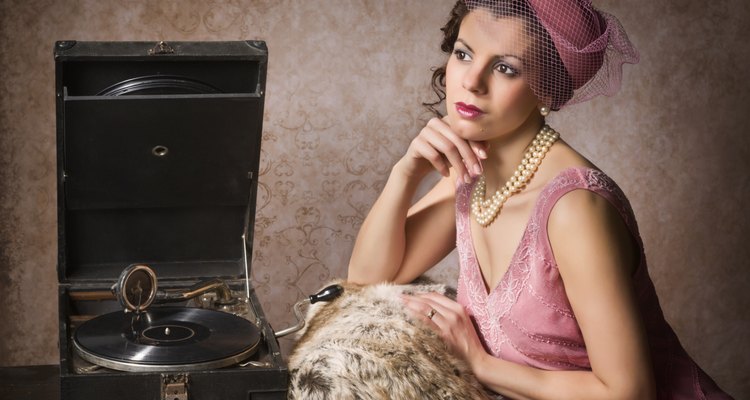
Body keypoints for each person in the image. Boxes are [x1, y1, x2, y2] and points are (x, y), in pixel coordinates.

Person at [346, 0, 734, 399]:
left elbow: (629, 393)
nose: (472, 81)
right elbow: (365, 279)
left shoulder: (575, 208)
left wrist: (479, 363)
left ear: (546, 88)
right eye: (463, 54)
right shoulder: (473, 174)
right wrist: (406, 172)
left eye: (505, 68)